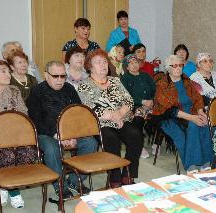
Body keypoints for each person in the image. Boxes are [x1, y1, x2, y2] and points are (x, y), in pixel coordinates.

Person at [26, 61, 98, 199]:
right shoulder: (36, 91)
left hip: (70, 132)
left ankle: (74, 181)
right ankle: (60, 185)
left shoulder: (69, 88)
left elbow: (78, 113)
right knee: (52, 149)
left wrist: (72, 134)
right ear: (46, 75)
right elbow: (35, 120)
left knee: (91, 143)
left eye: (63, 76)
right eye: (55, 76)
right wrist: (58, 135)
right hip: (46, 133)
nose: (60, 80)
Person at [77, 49, 143, 188]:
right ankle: (115, 178)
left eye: (105, 61)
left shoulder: (115, 81)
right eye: (98, 62)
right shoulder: (84, 85)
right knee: (110, 138)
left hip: (121, 119)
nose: (103, 65)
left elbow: (129, 101)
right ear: (90, 67)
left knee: (136, 135)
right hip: (101, 123)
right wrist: (114, 116)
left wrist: (119, 114)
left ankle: (128, 174)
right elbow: (91, 108)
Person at [152, 55, 213, 173]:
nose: (178, 68)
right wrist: (192, 118)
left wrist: (200, 112)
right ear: (168, 68)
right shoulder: (162, 84)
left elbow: (197, 98)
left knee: (204, 123)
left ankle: (206, 161)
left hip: (190, 112)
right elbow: (169, 110)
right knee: (194, 126)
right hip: (169, 116)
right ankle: (192, 164)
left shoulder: (185, 79)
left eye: (180, 65)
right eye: (174, 66)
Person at [0, 60, 36, 208]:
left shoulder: (14, 90)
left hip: (16, 134)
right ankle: (13, 191)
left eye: (8, 71)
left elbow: (23, 113)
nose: (8, 74)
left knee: (28, 154)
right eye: (3, 71)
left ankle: (5, 186)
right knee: (8, 156)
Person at [121, 54, 156, 158]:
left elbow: (155, 89)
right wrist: (142, 101)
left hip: (151, 104)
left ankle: (156, 143)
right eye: (130, 63)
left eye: (135, 62)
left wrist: (152, 101)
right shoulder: (124, 78)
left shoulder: (146, 75)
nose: (134, 65)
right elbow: (126, 96)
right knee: (138, 120)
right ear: (127, 67)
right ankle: (139, 145)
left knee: (161, 116)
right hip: (134, 107)